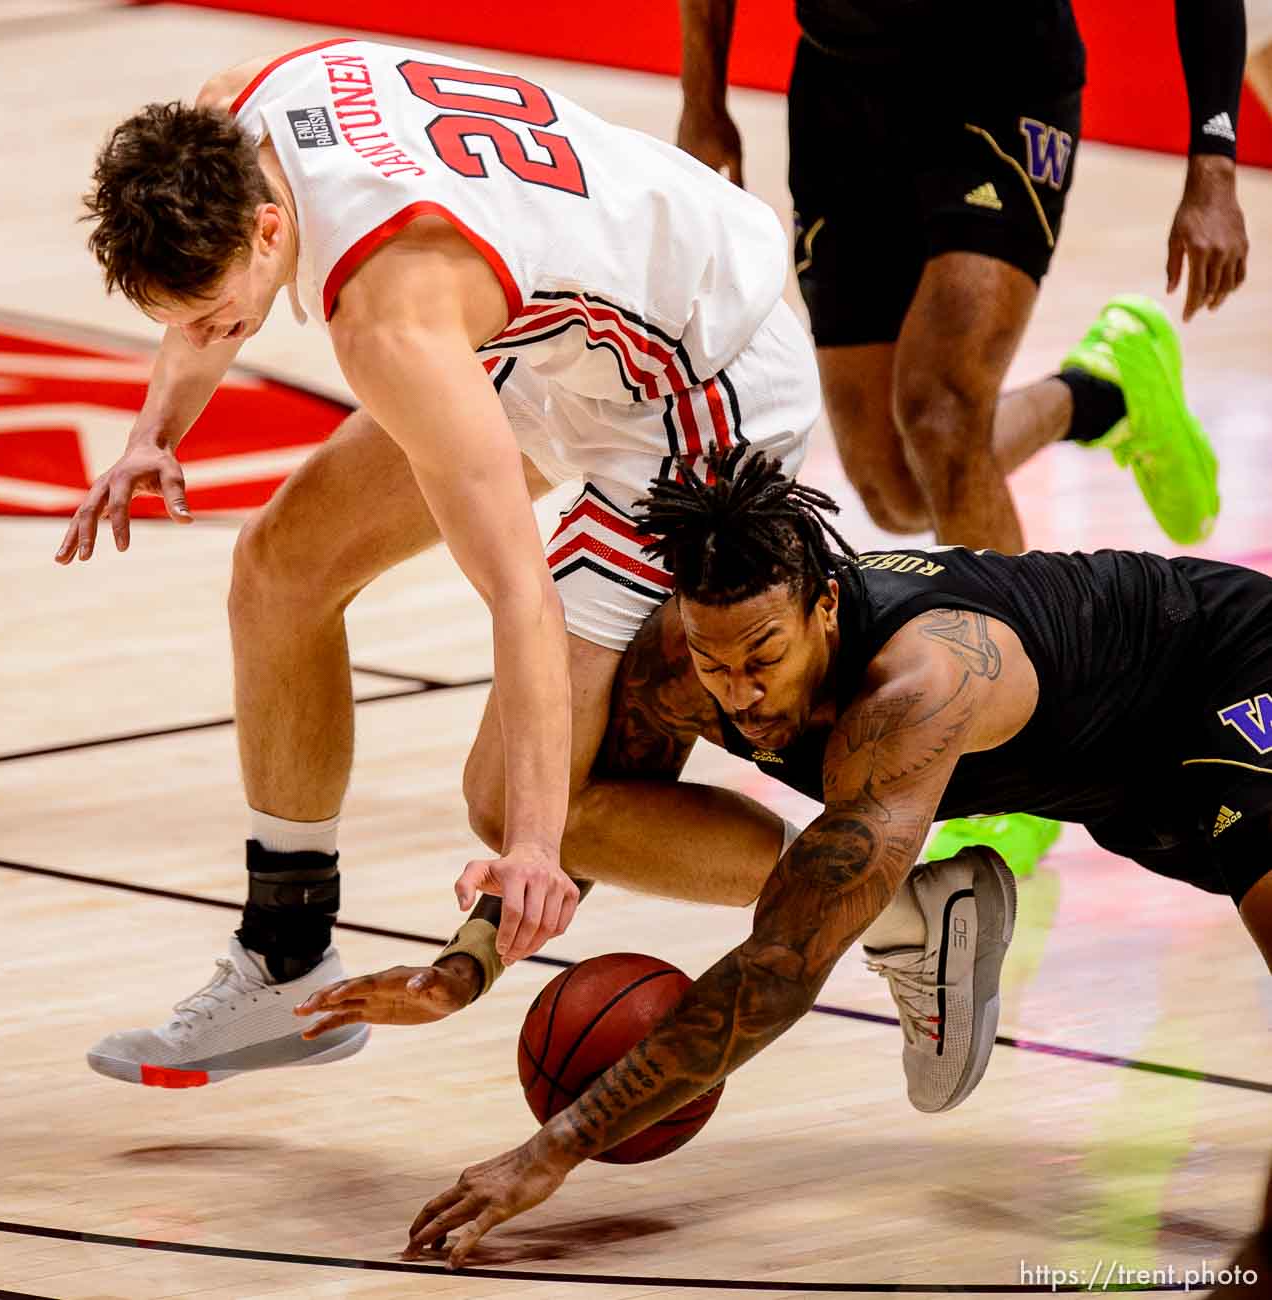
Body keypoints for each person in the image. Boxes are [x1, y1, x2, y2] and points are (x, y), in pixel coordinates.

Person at [304, 445, 1272, 1267]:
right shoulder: (691, 663)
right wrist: (468, 961)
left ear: (823, 611)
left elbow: (777, 970)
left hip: (1227, 671)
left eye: (762, 656)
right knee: (566, 790)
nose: (739, 693)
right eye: (714, 660)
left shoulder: (914, 688)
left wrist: (552, 1149)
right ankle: (915, 917)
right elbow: (579, 824)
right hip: (1131, 795)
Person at [67, 36, 821, 1087]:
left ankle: (883, 900)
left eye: (212, 316)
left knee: (507, 798)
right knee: (282, 564)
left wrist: (535, 852)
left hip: (696, 381)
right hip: (562, 320)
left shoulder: (389, 319)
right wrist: (156, 427)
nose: (199, 336)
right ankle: (287, 962)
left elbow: (517, 593)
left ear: (271, 226)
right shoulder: (235, 109)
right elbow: (219, 298)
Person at [678, 0, 1249, 875]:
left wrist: (1212, 158)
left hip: (999, 76)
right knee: (897, 487)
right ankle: (1100, 394)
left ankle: (1016, 758)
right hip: (838, 89)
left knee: (943, 411)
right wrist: (702, 96)